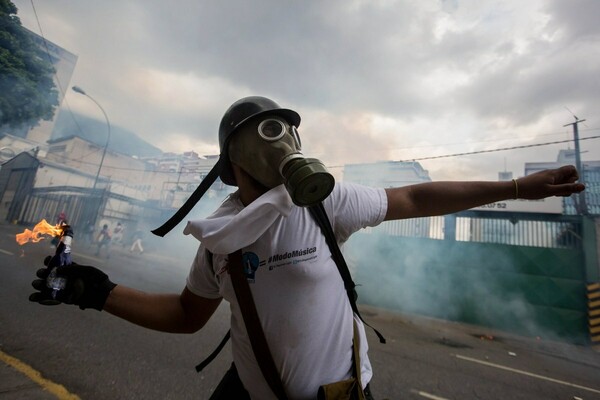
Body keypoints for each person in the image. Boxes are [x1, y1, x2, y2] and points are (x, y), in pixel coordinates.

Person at [28, 96, 585, 400]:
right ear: (232, 166)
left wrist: (516, 188)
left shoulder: (326, 204)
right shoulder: (219, 242)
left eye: (285, 131)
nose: (282, 144)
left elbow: (415, 195)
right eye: (263, 134)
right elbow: (185, 315)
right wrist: (97, 293)